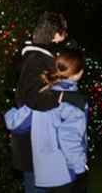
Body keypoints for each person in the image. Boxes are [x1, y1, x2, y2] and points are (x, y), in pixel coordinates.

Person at [6, 49, 88, 193]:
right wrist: (80, 168)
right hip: (65, 171)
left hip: (43, 170)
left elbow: (16, 123)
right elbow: (70, 138)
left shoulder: (41, 95)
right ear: (78, 73)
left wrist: (11, 111)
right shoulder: (74, 101)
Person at [11, 12, 73, 193]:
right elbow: (31, 98)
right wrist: (62, 98)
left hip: (39, 141)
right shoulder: (36, 60)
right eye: (63, 31)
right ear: (54, 32)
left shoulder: (39, 56)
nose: (65, 35)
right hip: (34, 143)